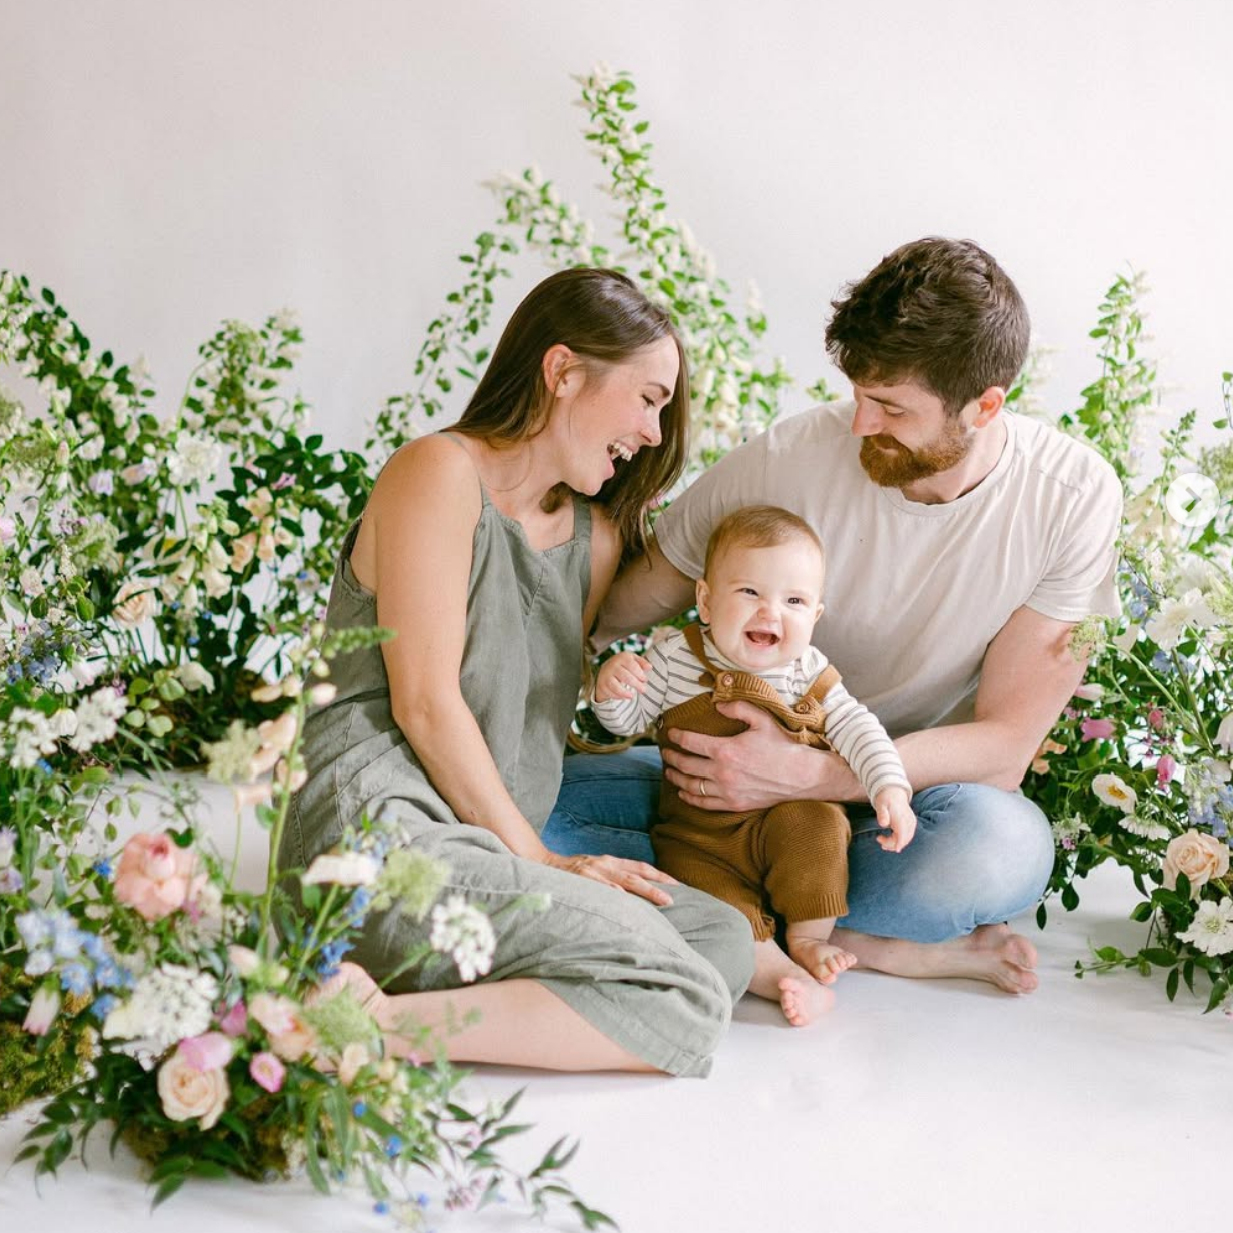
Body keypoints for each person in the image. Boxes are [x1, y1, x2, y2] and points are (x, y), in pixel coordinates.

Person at [543, 237, 1123, 997]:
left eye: (891, 407)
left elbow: (1005, 745)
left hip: (894, 803)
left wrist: (810, 775)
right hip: (711, 790)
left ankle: (750, 925)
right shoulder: (788, 458)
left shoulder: (1069, 496)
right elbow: (622, 603)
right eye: (857, 394)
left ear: (984, 406)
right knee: (522, 819)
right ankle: (836, 935)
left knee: (1000, 851)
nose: (859, 425)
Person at [279, 267, 755, 1077]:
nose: (653, 431)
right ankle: (366, 1022)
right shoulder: (436, 472)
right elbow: (426, 703)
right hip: (381, 839)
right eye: (647, 398)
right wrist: (543, 861)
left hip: (487, 849)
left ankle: (413, 995)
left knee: (720, 940)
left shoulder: (594, 541)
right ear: (562, 369)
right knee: (687, 996)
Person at [592, 505, 916, 1026]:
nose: (770, 612)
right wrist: (612, 689)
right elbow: (625, 720)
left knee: (819, 829)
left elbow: (858, 728)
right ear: (705, 600)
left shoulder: (807, 671)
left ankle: (809, 939)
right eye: (749, 592)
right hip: (698, 838)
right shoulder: (676, 657)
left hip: (785, 821)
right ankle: (777, 973)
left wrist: (890, 788)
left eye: (794, 601)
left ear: (815, 617)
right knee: (705, 898)